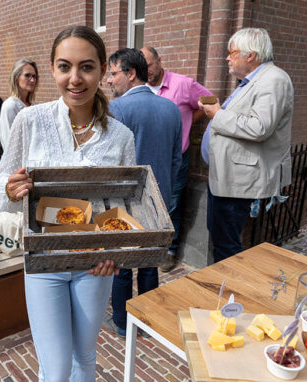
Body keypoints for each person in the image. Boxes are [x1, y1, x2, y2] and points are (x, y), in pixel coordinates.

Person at [0, 25, 135, 381]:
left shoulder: (121, 136)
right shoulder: (31, 121)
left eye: (86, 67)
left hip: (93, 265)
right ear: (53, 70)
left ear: (103, 70)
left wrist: (114, 252)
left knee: (85, 357)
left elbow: (123, 206)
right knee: (55, 369)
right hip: (44, 263)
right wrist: (10, 191)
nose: (75, 78)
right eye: (64, 66)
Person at [103, 48, 182, 339]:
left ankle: (123, 323)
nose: (110, 81)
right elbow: (177, 158)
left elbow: (109, 163)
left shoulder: (118, 110)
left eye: (113, 74)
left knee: (122, 266)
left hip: (125, 201)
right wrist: (167, 193)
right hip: (159, 198)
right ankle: (146, 323)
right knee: (150, 263)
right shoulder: (171, 108)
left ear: (131, 73)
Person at [199, 27, 293, 263]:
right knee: (221, 238)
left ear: (251, 55)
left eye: (232, 52)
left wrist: (217, 115)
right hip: (225, 177)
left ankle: (230, 295)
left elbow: (260, 127)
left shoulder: (274, 80)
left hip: (238, 181)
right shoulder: (251, 81)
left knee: (226, 246)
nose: (227, 58)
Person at [140, 46, 213, 272]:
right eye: (142, 68)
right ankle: (148, 247)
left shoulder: (183, 84)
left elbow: (210, 100)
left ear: (160, 61)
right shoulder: (139, 89)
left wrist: (189, 119)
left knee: (171, 204)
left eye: (150, 65)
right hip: (146, 158)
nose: (147, 71)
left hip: (174, 159)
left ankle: (169, 250)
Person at [0, 58, 38, 151]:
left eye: (34, 76)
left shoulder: (32, 105)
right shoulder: (10, 106)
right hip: (20, 163)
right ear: (16, 78)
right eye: (27, 75)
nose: (32, 80)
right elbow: (8, 142)